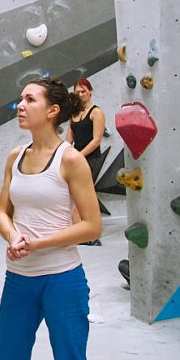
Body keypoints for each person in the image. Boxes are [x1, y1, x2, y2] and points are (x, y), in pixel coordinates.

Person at [0, 78, 102, 360]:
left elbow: (92, 226)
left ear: (53, 110)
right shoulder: (15, 156)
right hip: (18, 279)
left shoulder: (71, 159)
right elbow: (2, 212)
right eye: (20, 99)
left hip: (63, 279)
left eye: (29, 99)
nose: (20, 106)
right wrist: (14, 237)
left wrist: (37, 244)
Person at [64, 77, 106, 245]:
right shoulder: (73, 115)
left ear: (90, 91)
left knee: (85, 196)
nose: (81, 94)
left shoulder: (96, 112)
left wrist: (79, 156)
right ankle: (81, 234)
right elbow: (68, 141)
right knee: (71, 195)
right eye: (77, 92)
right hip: (76, 159)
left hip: (91, 158)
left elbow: (96, 140)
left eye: (83, 91)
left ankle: (93, 236)